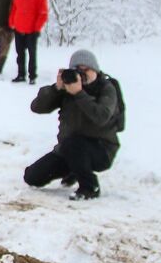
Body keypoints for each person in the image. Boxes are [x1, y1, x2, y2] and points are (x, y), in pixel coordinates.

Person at [24, 49, 125, 201]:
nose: (82, 75)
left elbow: (101, 116)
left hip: (101, 149)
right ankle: (74, 170)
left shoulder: (106, 88)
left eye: (86, 70)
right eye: (78, 71)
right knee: (32, 177)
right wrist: (56, 89)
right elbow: (37, 108)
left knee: (74, 143)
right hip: (69, 149)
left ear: (96, 70)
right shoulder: (67, 88)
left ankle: (90, 187)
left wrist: (79, 94)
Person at [10, 0, 48, 84]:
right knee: (20, 54)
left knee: (32, 54)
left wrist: (37, 28)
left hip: (31, 31)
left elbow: (43, 14)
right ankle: (21, 75)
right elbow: (14, 11)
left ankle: (32, 76)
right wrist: (12, 23)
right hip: (18, 30)